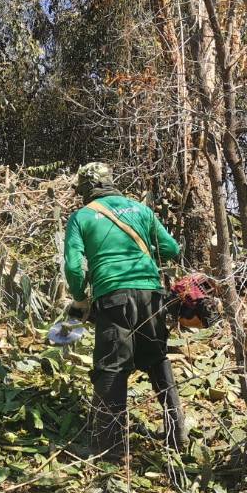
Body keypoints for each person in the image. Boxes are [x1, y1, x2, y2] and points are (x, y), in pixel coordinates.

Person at [63, 162, 186, 463]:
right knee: (156, 359)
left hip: (113, 297)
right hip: (150, 293)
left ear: (85, 189)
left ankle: (109, 447)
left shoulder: (81, 217)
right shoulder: (140, 210)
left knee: (112, 368)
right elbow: (170, 249)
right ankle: (176, 431)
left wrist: (80, 300)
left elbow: (74, 266)